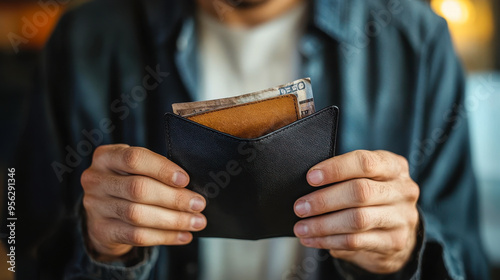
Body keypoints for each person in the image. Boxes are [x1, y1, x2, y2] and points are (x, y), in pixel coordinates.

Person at [14, 0, 489, 279]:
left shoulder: (415, 40)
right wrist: (99, 245)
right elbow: (19, 246)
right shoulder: (85, 39)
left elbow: (471, 258)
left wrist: (404, 256)